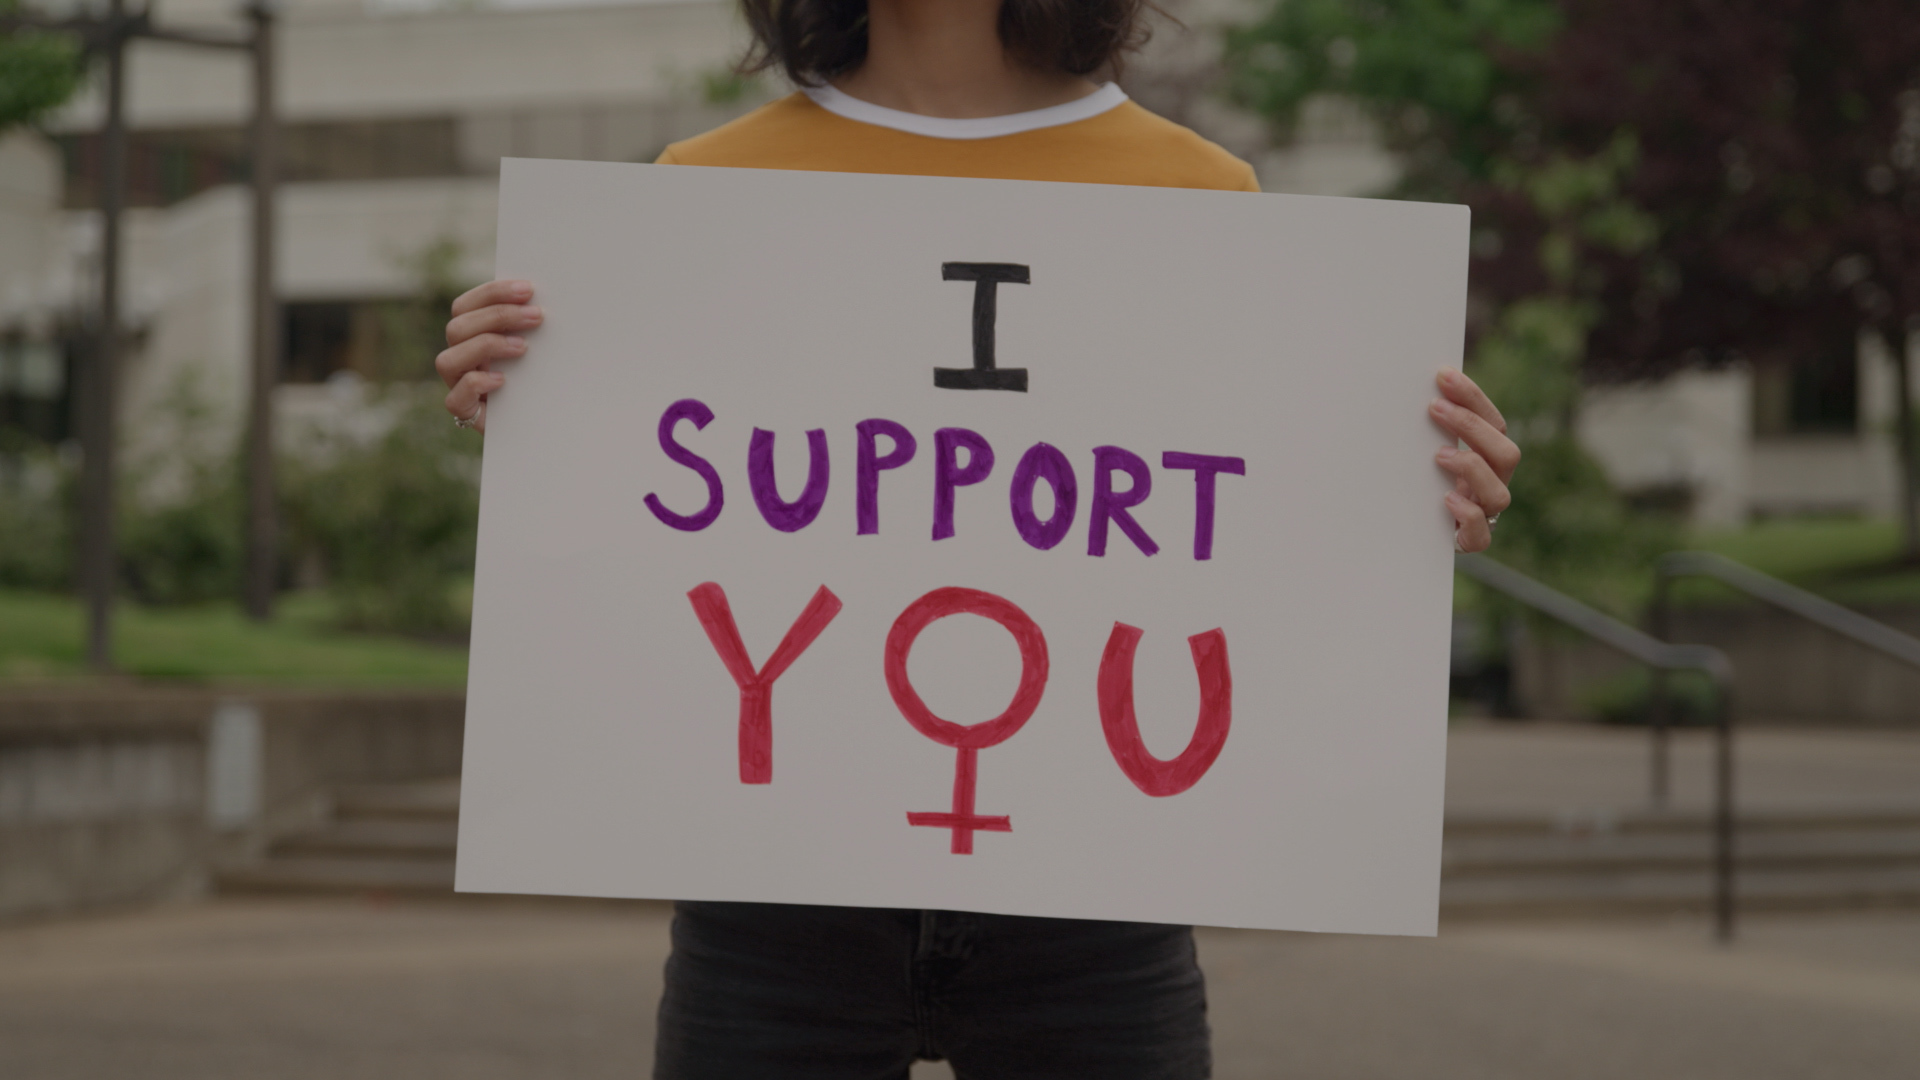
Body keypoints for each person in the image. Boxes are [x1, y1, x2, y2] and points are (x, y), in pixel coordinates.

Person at [437, 3, 1519, 1077]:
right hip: (774, 903)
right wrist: (537, 403)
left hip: (1097, 908)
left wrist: (1415, 498)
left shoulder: (1200, 192)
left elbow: (1252, 531)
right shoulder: (702, 186)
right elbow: (643, 524)